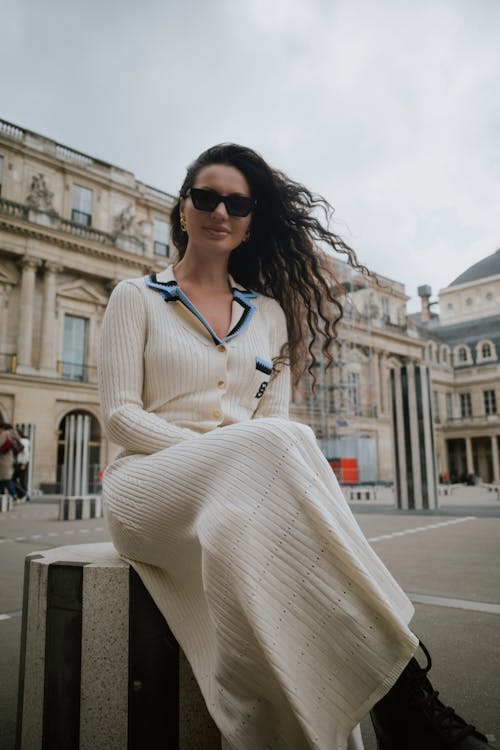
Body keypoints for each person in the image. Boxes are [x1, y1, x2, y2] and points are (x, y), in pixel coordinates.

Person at [98, 143, 494, 750]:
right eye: (206, 198)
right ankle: (407, 693)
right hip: (148, 487)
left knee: (287, 448)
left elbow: (275, 425)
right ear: (182, 210)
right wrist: (218, 451)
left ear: (252, 218)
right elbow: (122, 416)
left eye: (237, 202)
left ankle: (385, 702)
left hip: (244, 483)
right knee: (281, 442)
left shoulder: (270, 316)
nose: (220, 211)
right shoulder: (137, 297)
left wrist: (240, 454)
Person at [0, 422, 19, 500]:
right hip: (9, 459)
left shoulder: (4, 434)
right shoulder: (13, 434)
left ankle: (15, 495)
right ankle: (3, 496)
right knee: (3, 479)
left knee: (6, 479)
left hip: (3, 460)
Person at [11, 428, 31, 501]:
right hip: (23, 462)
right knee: (20, 480)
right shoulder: (25, 441)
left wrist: (23, 463)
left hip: (21, 462)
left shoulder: (23, 441)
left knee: (13, 480)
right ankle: (23, 494)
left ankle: (23, 494)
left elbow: (25, 453)